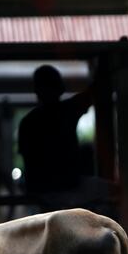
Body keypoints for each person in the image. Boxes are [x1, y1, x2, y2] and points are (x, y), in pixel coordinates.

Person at [18, 64, 94, 209]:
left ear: (36, 91)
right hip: (69, 187)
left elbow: (27, 160)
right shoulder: (68, 111)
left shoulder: (28, 122)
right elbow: (93, 93)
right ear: (60, 88)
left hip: (40, 192)